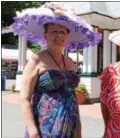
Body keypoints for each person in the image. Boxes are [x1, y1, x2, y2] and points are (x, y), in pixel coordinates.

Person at [11, 2, 101, 138]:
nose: (59, 35)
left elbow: (72, 96)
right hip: (44, 128)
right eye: (54, 31)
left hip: (70, 125)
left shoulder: (70, 62)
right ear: (45, 34)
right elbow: (24, 98)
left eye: (63, 32)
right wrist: (32, 131)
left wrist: (78, 128)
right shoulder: (36, 60)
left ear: (67, 36)